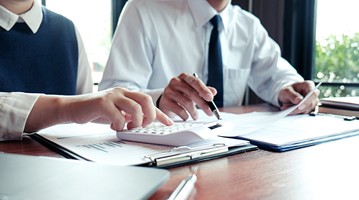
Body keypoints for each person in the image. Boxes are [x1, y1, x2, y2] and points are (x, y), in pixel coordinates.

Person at [99, 0, 319, 121]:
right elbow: (113, 94)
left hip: (232, 152)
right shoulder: (143, 10)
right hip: (162, 152)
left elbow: (277, 75)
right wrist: (157, 99)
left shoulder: (248, 25)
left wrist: (289, 89)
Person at [0, 0, 172, 141]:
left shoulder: (66, 30)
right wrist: (67, 108)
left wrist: (112, 110)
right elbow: (77, 106)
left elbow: (84, 106)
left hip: (63, 165)